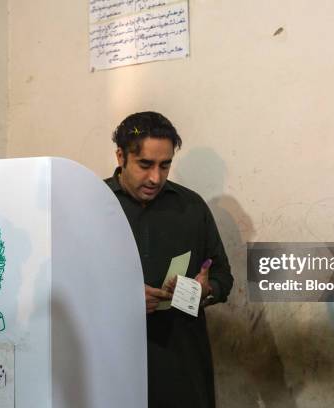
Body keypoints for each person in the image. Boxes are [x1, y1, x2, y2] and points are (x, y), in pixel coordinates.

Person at [104, 111, 233, 408]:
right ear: (121, 156)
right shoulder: (92, 203)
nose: (156, 178)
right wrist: (120, 300)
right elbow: (61, 285)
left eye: (165, 165)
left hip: (181, 362)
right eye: (145, 165)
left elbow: (223, 276)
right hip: (111, 361)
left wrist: (205, 289)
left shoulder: (190, 207)